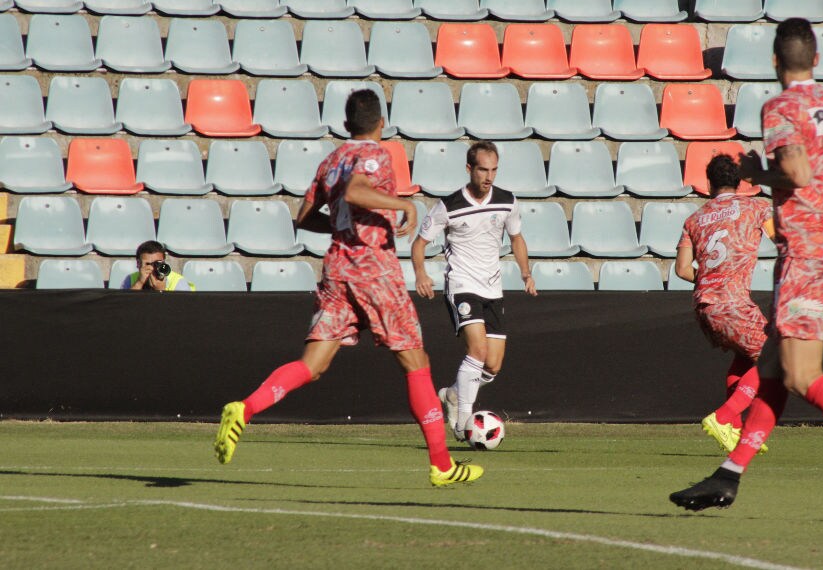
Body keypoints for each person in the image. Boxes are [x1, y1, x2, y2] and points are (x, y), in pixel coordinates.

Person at [670, 18, 823, 518]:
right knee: (774, 368)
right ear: (818, 61)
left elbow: (798, 171)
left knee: (803, 375)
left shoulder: (782, 106)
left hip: (806, 253)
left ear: (774, 61)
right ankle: (729, 475)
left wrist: (754, 172)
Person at [213, 89, 483, 487]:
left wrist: (341, 225)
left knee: (313, 365)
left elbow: (304, 217)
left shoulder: (331, 160)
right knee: (417, 362)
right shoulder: (375, 153)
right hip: (373, 269)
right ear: (381, 124)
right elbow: (357, 190)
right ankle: (442, 465)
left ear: (345, 124)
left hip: (337, 269)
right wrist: (402, 205)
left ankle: (245, 408)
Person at [410, 141, 537, 441]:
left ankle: (454, 394)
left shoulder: (507, 201)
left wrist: (526, 273)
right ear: (469, 169)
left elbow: (517, 238)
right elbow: (419, 243)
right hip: (461, 285)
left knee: (492, 365)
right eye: (483, 169)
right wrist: (420, 274)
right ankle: (463, 424)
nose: (489, 176)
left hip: (492, 287)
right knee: (477, 351)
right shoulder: (449, 205)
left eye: (494, 169)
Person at [675, 154, 774, 454]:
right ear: (740, 183)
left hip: (704, 305)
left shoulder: (693, 219)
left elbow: (681, 269)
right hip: (733, 303)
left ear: (709, 184)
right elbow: (780, 240)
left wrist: (711, 280)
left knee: (745, 358)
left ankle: (736, 430)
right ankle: (724, 417)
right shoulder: (756, 207)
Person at [120, 240, 194, 292]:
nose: (153, 268)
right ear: (138, 264)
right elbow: (123, 308)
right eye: (148, 264)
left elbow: (180, 311)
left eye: (157, 264)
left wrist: (161, 291)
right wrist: (139, 283)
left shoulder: (178, 282)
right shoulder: (130, 279)